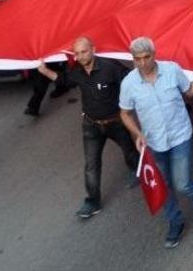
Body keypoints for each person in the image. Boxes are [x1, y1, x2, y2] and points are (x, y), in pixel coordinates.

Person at [119, 37, 193, 248]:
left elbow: (190, 91)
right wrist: (138, 134)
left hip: (180, 135)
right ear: (133, 60)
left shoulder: (172, 70)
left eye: (146, 57)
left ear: (154, 55)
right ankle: (175, 221)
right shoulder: (128, 83)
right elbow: (125, 113)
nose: (143, 63)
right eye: (137, 59)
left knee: (182, 183)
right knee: (163, 186)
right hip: (154, 143)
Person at [37, 37, 140, 220]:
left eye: (84, 51)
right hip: (91, 125)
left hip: (116, 121)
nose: (81, 56)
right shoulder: (77, 71)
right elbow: (63, 80)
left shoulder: (110, 67)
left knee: (130, 152)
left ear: (93, 48)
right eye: (77, 53)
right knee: (91, 165)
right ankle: (93, 202)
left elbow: (131, 80)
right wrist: (44, 70)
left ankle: (137, 170)